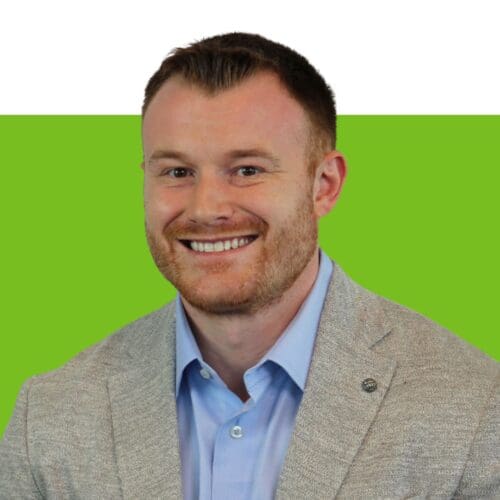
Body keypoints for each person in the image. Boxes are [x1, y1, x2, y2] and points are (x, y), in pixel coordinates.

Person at [0, 32, 498, 499]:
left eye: (247, 170)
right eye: (177, 171)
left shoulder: (475, 408)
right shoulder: (48, 416)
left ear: (324, 185)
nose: (205, 208)